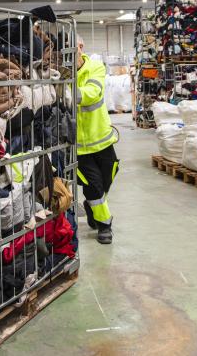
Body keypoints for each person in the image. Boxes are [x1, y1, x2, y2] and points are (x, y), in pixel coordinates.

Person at [74, 35, 119, 245]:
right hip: (80, 148)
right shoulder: (61, 73)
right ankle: (104, 225)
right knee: (94, 185)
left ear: (80, 47)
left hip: (102, 139)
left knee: (107, 179)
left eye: (70, 47)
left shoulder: (94, 67)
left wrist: (64, 91)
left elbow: (92, 93)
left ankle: (92, 206)